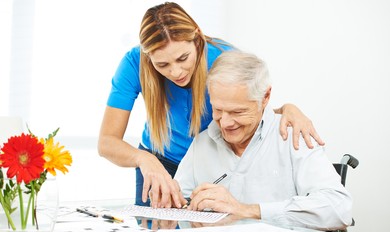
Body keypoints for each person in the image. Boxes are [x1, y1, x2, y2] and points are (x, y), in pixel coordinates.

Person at [98, 2, 324, 210]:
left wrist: (286, 109)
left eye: (183, 58)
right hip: (158, 165)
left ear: (196, 38)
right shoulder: (133, 63)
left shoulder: (226, 58)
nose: (175, 72)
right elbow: (107, 142)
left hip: (209, 165)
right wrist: (145, 159)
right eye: (162, 65)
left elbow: (249, 111)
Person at [175, 51, 353, 230]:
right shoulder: (202, 143)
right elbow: (178, 203)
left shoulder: (293, 137)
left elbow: (339, 209)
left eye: (238, 112)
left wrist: (248, 211)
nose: (226, 123)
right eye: (218, 110)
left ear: (265, 97)